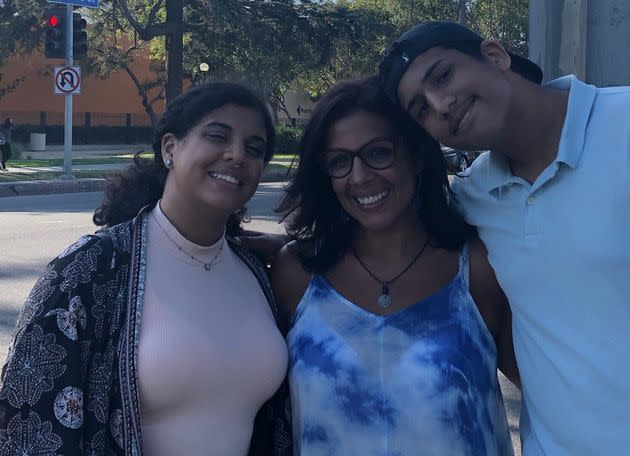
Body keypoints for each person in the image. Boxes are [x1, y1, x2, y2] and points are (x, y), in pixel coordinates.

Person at [379, 20, 630, 456]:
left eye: (443, 75)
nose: (439, 104)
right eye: (419, 108)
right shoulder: (473, 197)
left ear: (495, 56)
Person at [0, 83, 291, 456]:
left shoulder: (257, 273)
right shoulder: (89, 269)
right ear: (170, 149)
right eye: (217, 136)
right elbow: (28, 423)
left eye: (255, 149)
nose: (237, 155)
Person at [272, 77, 517, 456]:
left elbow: (554, 394)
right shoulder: (297, 274)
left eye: (379, 152)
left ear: (417, 156)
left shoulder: (479, 269)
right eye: (339, 161)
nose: (359, 176)